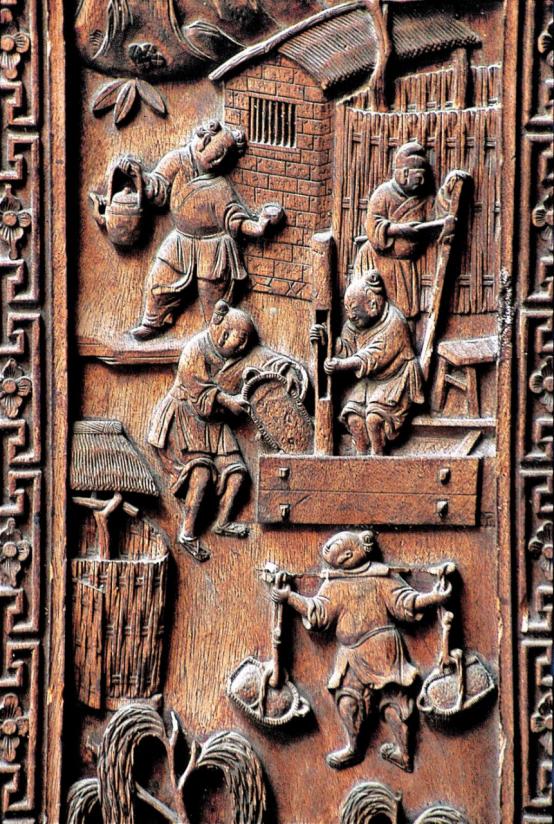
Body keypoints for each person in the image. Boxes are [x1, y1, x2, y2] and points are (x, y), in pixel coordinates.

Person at [271, 530, 453, 771]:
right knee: (347, 701)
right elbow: (318, 612)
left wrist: (434, 598)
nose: (332, 552)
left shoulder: (382, 577)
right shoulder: (334, 585)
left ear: (350, 553)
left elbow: (406, 603)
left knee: (393, 702)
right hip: (350, 654)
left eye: (339, 547)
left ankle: (404, 753)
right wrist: (290, 597)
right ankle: (354, 748)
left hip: (383, 649)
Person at [120, 120, 284, 339]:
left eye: (224, 158)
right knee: (159, 281)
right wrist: (138, 176)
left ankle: (216, 337)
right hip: (181, 239)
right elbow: (157, 189)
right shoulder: (177, 161)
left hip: (214, 246)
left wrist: (259, 227)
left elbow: (234, 218)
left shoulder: (220, 187)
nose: (218, 162)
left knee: (214, 298)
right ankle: (152, 322)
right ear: (205, 140)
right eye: (217, 154)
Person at [148, 300, 254, 561]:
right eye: (240, 340)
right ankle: (188, 533)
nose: (242, 347)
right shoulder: (196, 348)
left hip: (213, 424)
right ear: (223, 333)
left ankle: (223, 522)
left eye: (246, 343)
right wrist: (228, 401)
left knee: (237, 474)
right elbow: (198, 389)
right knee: (201, 474)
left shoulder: (233, 359)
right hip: (183, 419)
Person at [311, 270, 424, 455]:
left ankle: (377, 456)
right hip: (370, 381)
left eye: (355, 311)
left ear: (372, 304)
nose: (350, 316)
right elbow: (347, 348)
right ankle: (360, 456)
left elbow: (373, 356)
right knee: (353, 418)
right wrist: (326, 339)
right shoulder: (354, 325)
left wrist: (341, 366)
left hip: (396, 378)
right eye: (347, 311)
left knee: (374, 419)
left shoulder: (395, 322)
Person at [362, 141, 453, 320]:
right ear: (404, 174)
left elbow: (438, 215)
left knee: (406, 313)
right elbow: (372, 225)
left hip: (406, 266)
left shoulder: (424, 198)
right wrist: (399, 229)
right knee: (380, 310)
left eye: (424, 178)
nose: (422, 182)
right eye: (418, 178)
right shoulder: (383, 194)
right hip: (382, 262)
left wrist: (449, 189)